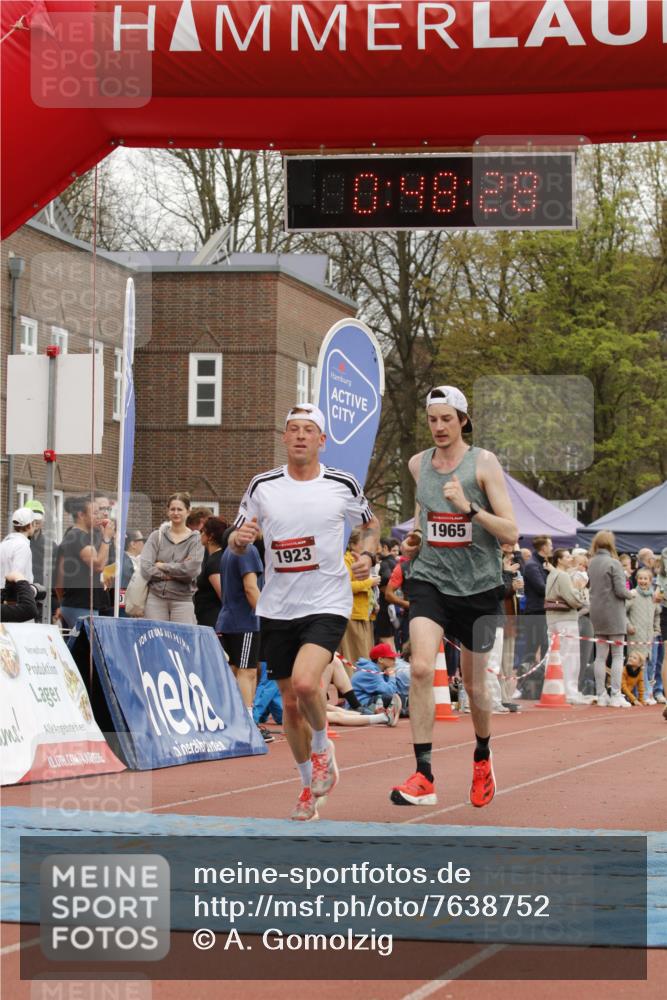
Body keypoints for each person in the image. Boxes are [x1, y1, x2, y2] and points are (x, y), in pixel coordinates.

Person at [228, 402, 379, 821]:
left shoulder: (341, 484)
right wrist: (239, 539)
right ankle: (307, 789)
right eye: (292, 428)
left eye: (307, 430)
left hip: (327, 600)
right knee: (290, 704)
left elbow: (370, 523)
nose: (298, 436)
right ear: (284, 438)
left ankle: (321, 749)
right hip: (279, 606)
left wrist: (366, 552)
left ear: (321, 440)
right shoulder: (263, 485)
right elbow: (235, 538)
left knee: (307, 684)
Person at [391, 385, 517, 808]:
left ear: (463, 419)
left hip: (479, 587)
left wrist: (469, 508)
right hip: (430, 581)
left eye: (447, 418)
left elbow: (511, 532)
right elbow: (423, 516)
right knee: (422, 668)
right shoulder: (417, 464)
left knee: (477, 688)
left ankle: (482, 754)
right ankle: (424, 774)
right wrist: (413, 538)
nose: (439, 427)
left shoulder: (483, 463)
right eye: (432, 419)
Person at [216, 534, 266, 736]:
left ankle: (234, 718)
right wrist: (267, 616)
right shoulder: (247, 549)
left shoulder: (229, 549)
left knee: (235, 671)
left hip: (229, 618)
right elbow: (250, 588)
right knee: (247, 672)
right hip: (244, 620)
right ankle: (247, 723)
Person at [140, 492, 204, 624]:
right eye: (172, 509)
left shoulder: (196, 540)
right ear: (167, 511)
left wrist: (163, 566)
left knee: (182, 642)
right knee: (155, 640)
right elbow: (145, 566)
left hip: (183, 601)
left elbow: (190, 571)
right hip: (155, 598)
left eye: (180, 509)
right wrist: (169, 575)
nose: (176, 513)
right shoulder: (156, 536)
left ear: (188, 511)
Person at [588, 530, 632, 708]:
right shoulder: (614, 563)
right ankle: (615, 693)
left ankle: (601, 694)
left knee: (600, 656)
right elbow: (621, 591)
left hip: (597, 613)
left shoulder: (591, 563)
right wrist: (632, 594)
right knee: (617, 655)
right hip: (614, 614)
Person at [56, 496, 114, 628]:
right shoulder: (78, 536)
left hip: (77, 604)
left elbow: (59, 580)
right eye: (94, 513)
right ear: (81, 515)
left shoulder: (78, 536)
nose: (98, 516)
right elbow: (98, 565)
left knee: (79, 647)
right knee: (88, 647)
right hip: (81, 606)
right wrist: (106, 538)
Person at [544, 549, 589, 704]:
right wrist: (580, 590)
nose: (570, 559)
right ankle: (571, 693)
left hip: (552, 619)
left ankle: (556, 689)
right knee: (570, 657)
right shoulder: (563, 576)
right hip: (566, 619)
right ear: (559, 560)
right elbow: (574, 600)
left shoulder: (552, 575)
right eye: (567, 557)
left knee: (555, 656)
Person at [339, 528, 377, 664]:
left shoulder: (361, 560)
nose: (365, 547)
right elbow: (346, 587)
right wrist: (370, 582)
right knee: (355, 658)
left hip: (363, 615)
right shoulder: (346, 560)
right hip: (352, 615)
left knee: (364, 656)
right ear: (353, 544)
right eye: (363, 542)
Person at [627, 567, 661, 698]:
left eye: (645, 578)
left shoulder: (654, 596)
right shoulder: (633, 594)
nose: (642, 581)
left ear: (650, 580)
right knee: (635, 663)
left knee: (648, 664)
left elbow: (658, 613)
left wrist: (656, 629)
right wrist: (628, 625)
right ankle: (637, 694)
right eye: (640, 578)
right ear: (636, 579)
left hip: (649, 636)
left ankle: (645, 693)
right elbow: (622, 612)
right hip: (635, 634)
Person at [521, 535, 553, 667]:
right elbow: (541, 588)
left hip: (542, 611)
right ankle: (523, 683)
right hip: (535, 612)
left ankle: (542, 677)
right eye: (550, 545)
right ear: (544, 547)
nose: (552, 548)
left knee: (545, 645)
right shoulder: (532, 565)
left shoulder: (541, 564)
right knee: (531, 648)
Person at [351, 642, 403, 716]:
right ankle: (404, 712)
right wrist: (392, 676)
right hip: (359, 706)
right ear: (381, 659)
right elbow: (389, 691)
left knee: (397, 699)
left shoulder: (377, 669)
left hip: (367, 701)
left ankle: (403, 711)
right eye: (391, 658)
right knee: (388, 698)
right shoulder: (371, 670)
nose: (394, 660)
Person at [194, 516, 227, 627]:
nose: (200, 534)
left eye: (202, 532)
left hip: (213, 620)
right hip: (208, 618)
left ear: (211, 536)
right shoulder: (215, 557)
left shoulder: (215, 561)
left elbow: (223, 595)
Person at [0, 508, 36, 588]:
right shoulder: (23, 546)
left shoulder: (3, 544)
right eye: (34, 523)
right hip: (15, 597)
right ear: (30, 525)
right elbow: (17, 576)